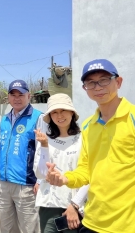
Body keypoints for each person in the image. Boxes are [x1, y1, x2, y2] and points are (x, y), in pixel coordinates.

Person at [46, 59, 135, 233]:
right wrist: (65, 179)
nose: (98, 87)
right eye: (91, 83)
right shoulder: (88, 126)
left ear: (118, 82)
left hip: (134, 225)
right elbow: (86, 171)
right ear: (84, 89)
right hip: (92, 223)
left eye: (104, 79)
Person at [33, 93, 89, 233]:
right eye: (54, 112)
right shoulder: (44, 139)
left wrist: (75, 205)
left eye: (63, 110)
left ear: (72, 112)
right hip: (49, 204)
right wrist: (45, 145)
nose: (59, 116)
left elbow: (89, 174)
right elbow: (40, 173)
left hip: (75, 205)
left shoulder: (83, 138)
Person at [0, 79, 43, 233]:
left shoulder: (38, 118)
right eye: (13, 95)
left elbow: (44, 151)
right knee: (7, 227)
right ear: (8, 98)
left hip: (26, 184)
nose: (17, 98)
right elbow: (6, 146)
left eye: (21, 95)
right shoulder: (4, 119)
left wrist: (41, 180)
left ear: (29, 96)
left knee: (28, 228)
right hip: (4, 182)